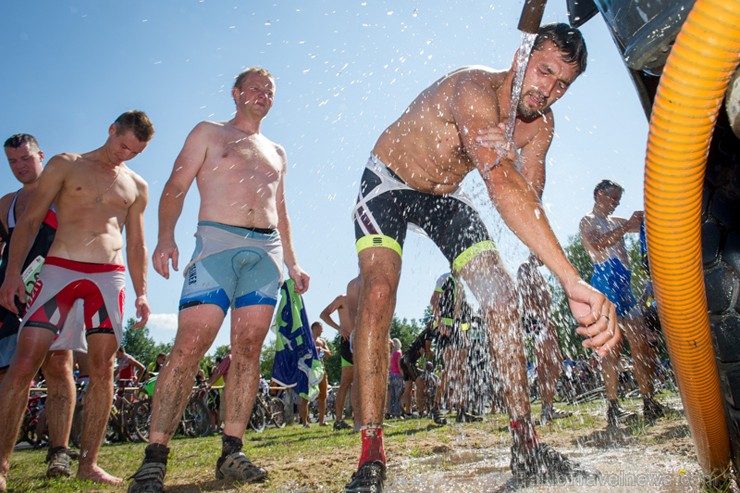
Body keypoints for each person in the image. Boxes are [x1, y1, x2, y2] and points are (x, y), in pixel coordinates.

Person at [347, 23, 619, 491]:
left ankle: (526, 445)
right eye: (545, 71)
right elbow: (498, 185)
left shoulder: (541, 127)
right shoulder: (474, 88)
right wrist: (573, 279)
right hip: (389, 183)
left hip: (446, 195)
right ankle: (371, 453)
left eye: (562, 85)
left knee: (502, 296)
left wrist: (511, 152)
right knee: (377, 292)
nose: (549, 90)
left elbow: (527, 199)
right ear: (521, 57)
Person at [128, 67, 309, 493]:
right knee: (189, 346)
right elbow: (176, 184)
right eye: (255, 88)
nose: (263, 95)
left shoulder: (277, 151)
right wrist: (166, 236)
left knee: (247, 350)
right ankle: (155, 457)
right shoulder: (209, 132)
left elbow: (281, 212)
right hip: (216, 245)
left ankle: (232, 451)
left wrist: (295, 264)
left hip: (266, 254)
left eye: (270, 91)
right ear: (236, 93)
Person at [0, 111, 154, 491]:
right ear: (111, 130)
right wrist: (12, 273)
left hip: (108, 275)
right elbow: (33, 220)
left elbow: (136, 243)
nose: (125, 155)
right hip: (60, 269)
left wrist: (143, 292)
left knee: (103, 368)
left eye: (135, 152)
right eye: (123, 145)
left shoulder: (136, 185)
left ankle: (89, 463)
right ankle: (1, 466)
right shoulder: (66, 164)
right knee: (23, 363)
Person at [0, 134, 79, 480]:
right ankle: (2, 460)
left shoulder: (64, 195)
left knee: (59, 366)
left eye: (26, 159)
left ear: (41, 156)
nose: (20, 167)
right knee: (9, 372)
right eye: (12, 162)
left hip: (55, 288)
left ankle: (59, 453)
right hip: (11, 294)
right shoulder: (6, 203)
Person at [579, 179, 670, 427]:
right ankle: (612, 407)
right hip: (605, 282)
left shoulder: (614, 221)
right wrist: (627, 225)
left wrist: (649, 214)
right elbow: (597, 244)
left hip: (624, 284)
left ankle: (649, 401)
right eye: (612, 198)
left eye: (618, 200)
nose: (615, 203)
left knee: (641, 342)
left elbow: (637, 223)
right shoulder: (588, 220)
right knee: (613, 347)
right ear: (599, 195)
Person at [517, 252, 572, 425]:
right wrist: (543, 319)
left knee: (550, 364)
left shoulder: (532, 269)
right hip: (537, 322)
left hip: (541, 321)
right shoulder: (525, 267)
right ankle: (546, 409)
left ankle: (547, 408)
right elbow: (527, 299)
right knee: (551, 364)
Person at [319, 276, 360, 430]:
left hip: (360, 341)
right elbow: (324, 314)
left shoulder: (362, 300)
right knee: (346, 381)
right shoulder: (342, 298)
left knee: (360, 380)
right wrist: (339, 328)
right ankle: (338, 419)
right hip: (346, 340)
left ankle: (360, 418)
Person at [298, 322, 331, 427]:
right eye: (321, 329)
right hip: (309, 371)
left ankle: (321, 421)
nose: (322, 331)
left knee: (323, 396)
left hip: (321, 370)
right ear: (315, 328)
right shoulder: (306, 339)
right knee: (305, 397)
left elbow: (329, 354)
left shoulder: (322, 341)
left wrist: (321, 349)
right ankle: (305, 423)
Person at [387, 338, 403, 418]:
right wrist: (403, 375)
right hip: (397, 375)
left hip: (391, 375)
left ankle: (392, 412)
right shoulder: (399, 353)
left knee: (392, 395)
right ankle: (397, 413)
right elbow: (399, 366)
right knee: (398, 395)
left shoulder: (391, 354)